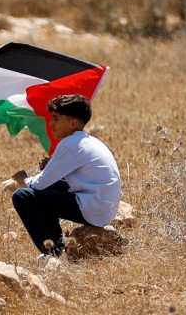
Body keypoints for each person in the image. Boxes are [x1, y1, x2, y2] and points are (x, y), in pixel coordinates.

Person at [11, 94, 122, 257]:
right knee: (48, 189)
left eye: (56, 118)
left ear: (72, 123)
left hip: (93, 209)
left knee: (22, 196)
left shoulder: (70, 144)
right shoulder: (87, 141)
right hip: (103, 208)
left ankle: (52, 252)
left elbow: (38, 185)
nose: (51, 123)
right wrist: (51, 167)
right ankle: (57, 244)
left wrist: (24, 180)